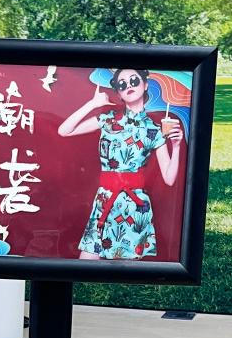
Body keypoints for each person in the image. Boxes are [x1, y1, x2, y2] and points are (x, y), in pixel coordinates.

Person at [57, 68, 183, 260]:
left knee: (125, 270)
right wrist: (92, 104)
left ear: (145, 85)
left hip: (134, 206)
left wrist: (177, 146)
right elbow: (64, 131)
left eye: (134, 80)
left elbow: (169, 178)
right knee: (86, 264)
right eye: (122, 84)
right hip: (105, 200)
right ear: (118, 92)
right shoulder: (108, 120)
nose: (129, 86)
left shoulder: (154, 130)